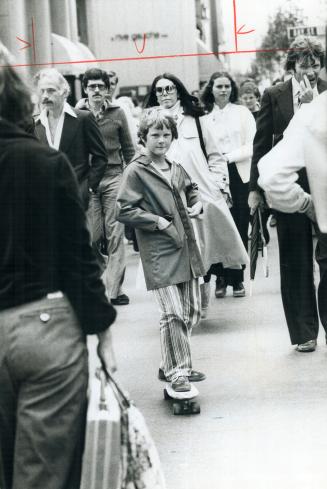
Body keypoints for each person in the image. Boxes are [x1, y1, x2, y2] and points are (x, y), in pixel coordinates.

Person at [0, 43, 116, 489]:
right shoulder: (46, 163)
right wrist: (101, 332)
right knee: (43, 477)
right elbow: (77, 257)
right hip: (45, 329)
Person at [116, 108, 205, 392]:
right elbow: (123, 208)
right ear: (143, 137)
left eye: (166, 134)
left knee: (191, 312)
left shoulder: (175, 166)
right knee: (172, 313)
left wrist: (197, 202)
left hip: (185, 247)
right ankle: (179, 372)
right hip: (158, 251)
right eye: (155, 134)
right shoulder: (136, 170)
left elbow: (191, 189)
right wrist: (156, 222)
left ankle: (169, 363)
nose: (161, 140)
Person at [145, 73, 248, 317]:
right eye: (159, 90)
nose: (165, 94)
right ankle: (184, 303)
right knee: (177, 250)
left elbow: (215, 156)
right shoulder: (150, 122)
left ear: (178, 91)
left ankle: (200, 299)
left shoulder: (197, 119)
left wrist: (219, 185)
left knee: (203, 250)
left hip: (201, 193)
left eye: (169, 88)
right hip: (166, 194)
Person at [248, 35, 327, 352]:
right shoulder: (274, 95)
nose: (310, 68)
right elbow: (261, 143)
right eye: (303, 62)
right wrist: (255, 188)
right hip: (288, 184)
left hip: (322, 181)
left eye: (315, 62)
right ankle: (304, 331)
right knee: (295, 258)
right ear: (292, 64)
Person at [77, 68, 135, 306]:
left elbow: (129, 149)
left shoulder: (118, 113)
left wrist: (131, 177)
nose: (97, 91)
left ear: (108, 88)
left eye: (101, 86)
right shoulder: (76, 114)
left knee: (115, 234)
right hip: (88, 179)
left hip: (113, 177)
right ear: (85, 89)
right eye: (92, 87)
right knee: (92, 234)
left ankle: (114, 290)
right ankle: (101, 272)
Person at [201, 71, 256, 298]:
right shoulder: (203, 118)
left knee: (240, 225)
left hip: (239, 174)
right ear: (211, 89)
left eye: (226, 86)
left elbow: (252, 144)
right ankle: (221, 278)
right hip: (214, 176)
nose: (223, 90)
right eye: (218, 86)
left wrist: (228, 157)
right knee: (219, 226)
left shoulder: (242, 113)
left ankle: (237, 279)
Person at [33, 68, 108, 210]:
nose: (45, 96)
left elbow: (101, 157)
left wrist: (89, 187)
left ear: (65, 92)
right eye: (42, 91)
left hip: (76, 197)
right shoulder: (35, 124)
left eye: (51, 90)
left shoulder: (83, 119)